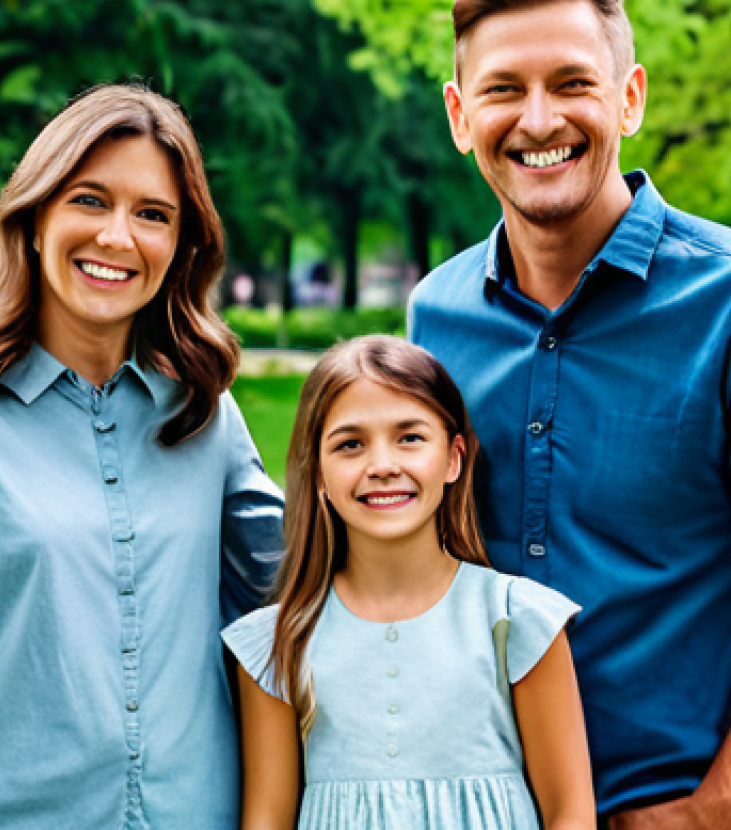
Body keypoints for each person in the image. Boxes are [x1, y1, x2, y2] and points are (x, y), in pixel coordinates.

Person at [0, 84, 284, 830]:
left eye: (153, 214)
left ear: (184, 246)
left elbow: (296, 595)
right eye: (90, 200)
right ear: (35, 215)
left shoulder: (205, 419)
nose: (118, 237)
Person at [408, 0, 731, 828]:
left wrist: (709, 811)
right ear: (460, 115)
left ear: (629, 98)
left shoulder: (726, 301)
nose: (538, 119)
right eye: (504, 88)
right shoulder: (434, 317)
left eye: (573, 83)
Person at [222, 335, 595, 830]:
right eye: (350, 444)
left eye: (410, 437)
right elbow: (267, 819)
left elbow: (570, 813)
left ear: (453, 458)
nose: (382, 466)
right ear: (317, 474)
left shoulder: (518, 622)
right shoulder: (279, 642)